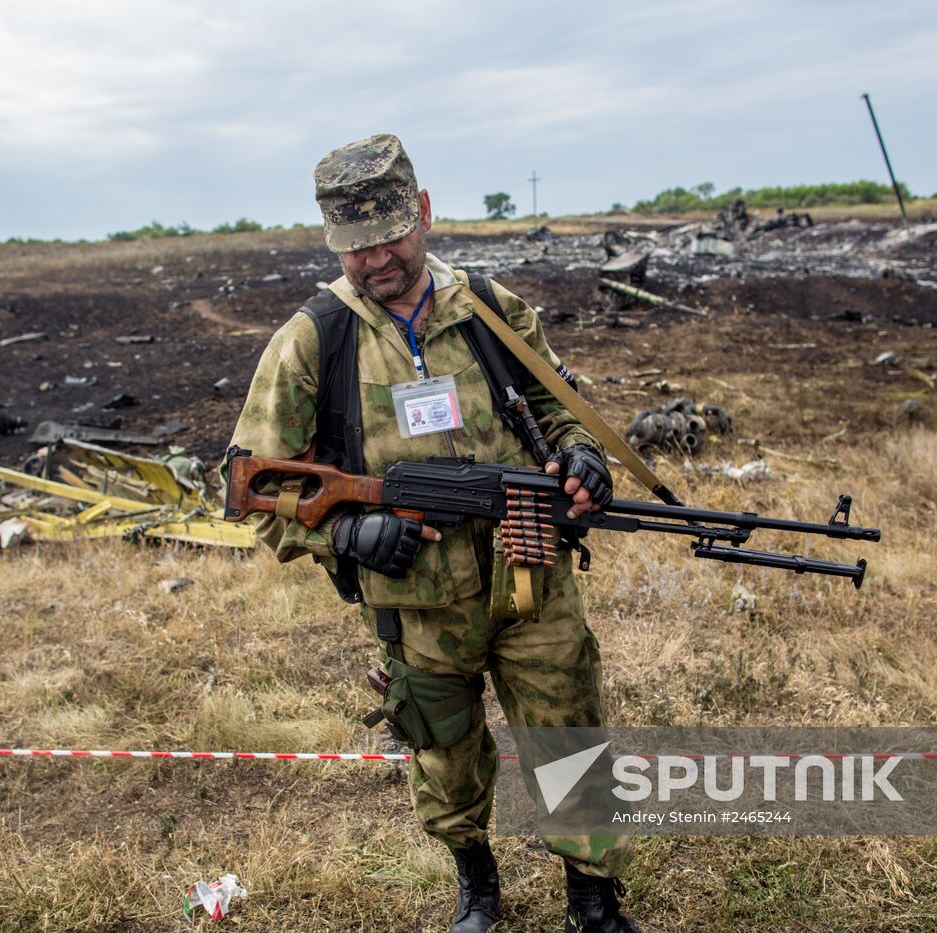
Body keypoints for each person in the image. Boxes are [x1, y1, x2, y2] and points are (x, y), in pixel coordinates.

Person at [223, 134, 639, 933]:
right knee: (444, 750)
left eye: (388, 236)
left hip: (531, 569)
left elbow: (559, 407)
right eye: (354, 246)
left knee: (569, 731)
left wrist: (584, 457)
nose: (375, 259)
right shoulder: (313, 339)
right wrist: (346, 537)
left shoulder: (491, 307)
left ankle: (592, 896)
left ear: (423, 212)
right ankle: (476, 884)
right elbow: (254, 485)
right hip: (416, 603)